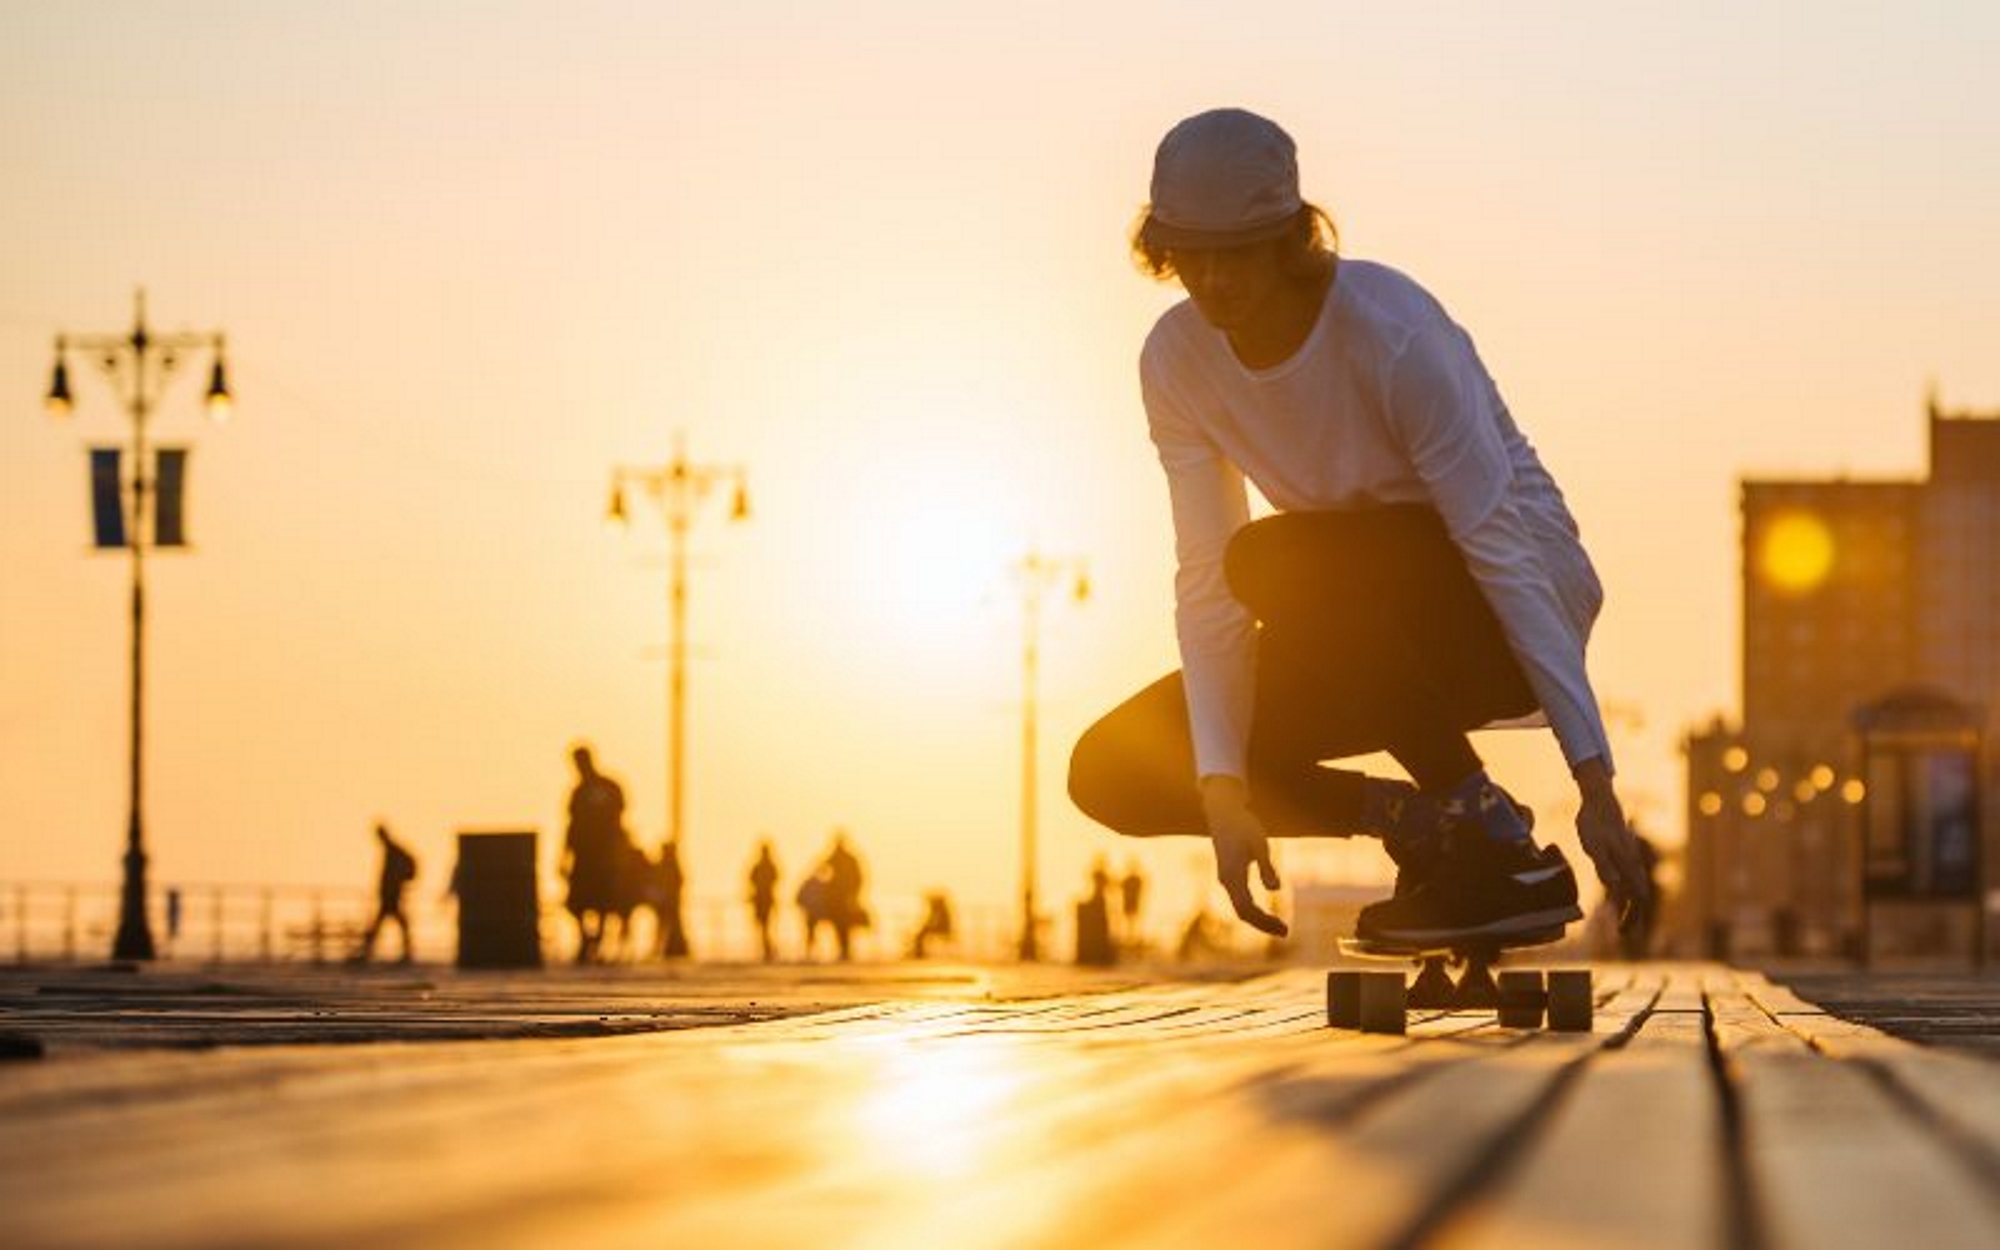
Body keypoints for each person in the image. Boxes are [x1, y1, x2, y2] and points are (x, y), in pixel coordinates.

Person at [1068, 108, 1650, 948]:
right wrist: (1226, 794)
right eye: (1192, 255)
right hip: (1347, 629)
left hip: (1503, 609)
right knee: (1117, 768)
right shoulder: (1175, 361)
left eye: (1236, 255)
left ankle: (1489, 833)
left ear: (1289, 242)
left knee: (1274, 559)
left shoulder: (1392, 332)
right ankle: (1424, 826)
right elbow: (1205, 581)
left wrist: (1593, 782)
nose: (1214, 281)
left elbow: (1502, 549)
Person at [562, 745, 626, 963]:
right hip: (584, 853)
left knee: (604, 900)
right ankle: (586, 938)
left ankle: (596, 940)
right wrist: (564, 854)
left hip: (602, 853)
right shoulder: (578, 791)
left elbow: (618, 822)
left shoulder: (608, 787)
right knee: (577, 901)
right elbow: (571, 825)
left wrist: (617, 853)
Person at [353, 823, 418, 964]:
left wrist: (401, 880)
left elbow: (405, 868)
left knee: (387, 923)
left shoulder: (394, 850)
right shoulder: (392, 850)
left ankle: (368, 951)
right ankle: (370, 951)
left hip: (391, 893)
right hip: (390, 893)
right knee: (392, 923)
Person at [747, 840, 780, 962]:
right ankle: (768, 949)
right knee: (763, 927)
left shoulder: (766, 866)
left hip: (765, 900)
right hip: (762, 900)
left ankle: (768, 950)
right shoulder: (765, 866)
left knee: (765, 926)